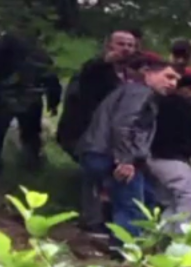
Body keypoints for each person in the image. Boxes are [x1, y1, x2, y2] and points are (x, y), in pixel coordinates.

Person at [76, 58, 180, 249]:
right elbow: (124, 125)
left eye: (176, 80)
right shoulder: (139, 92)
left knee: (147, 197)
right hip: (108, 152)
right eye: (168, 76)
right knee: (132, 203)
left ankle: (125, 240)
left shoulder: (133, 91)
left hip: (100, 150)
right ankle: (125, 248)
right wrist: (125, 160)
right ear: (148, 73)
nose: (173, 83)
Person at [56, 29, 138, 238]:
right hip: (84, 132)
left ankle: (107, 218)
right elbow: (86, 91)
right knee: (94, 172)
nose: (126, 49)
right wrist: (104, 62)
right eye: (121, 44)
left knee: (108, 174)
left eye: (130, 45)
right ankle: (92, 220)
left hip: (111, 135)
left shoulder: (130, 74)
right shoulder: (95, 69)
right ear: (109, 45)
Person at [0, 32, 61, 181]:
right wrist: (53, 101)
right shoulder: (38, 50)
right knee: (30, 136)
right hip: (30, 99)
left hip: (1, 98)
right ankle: (32, 166)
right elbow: (50, 76)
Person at [147, 70, 191, 232]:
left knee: (170, 202)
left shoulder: (156, 102)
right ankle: (183, 239)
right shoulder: (179, 106)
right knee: (188, 196)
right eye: (190, 88)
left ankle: (163, 237)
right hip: (171, 158)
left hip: (153, 157)